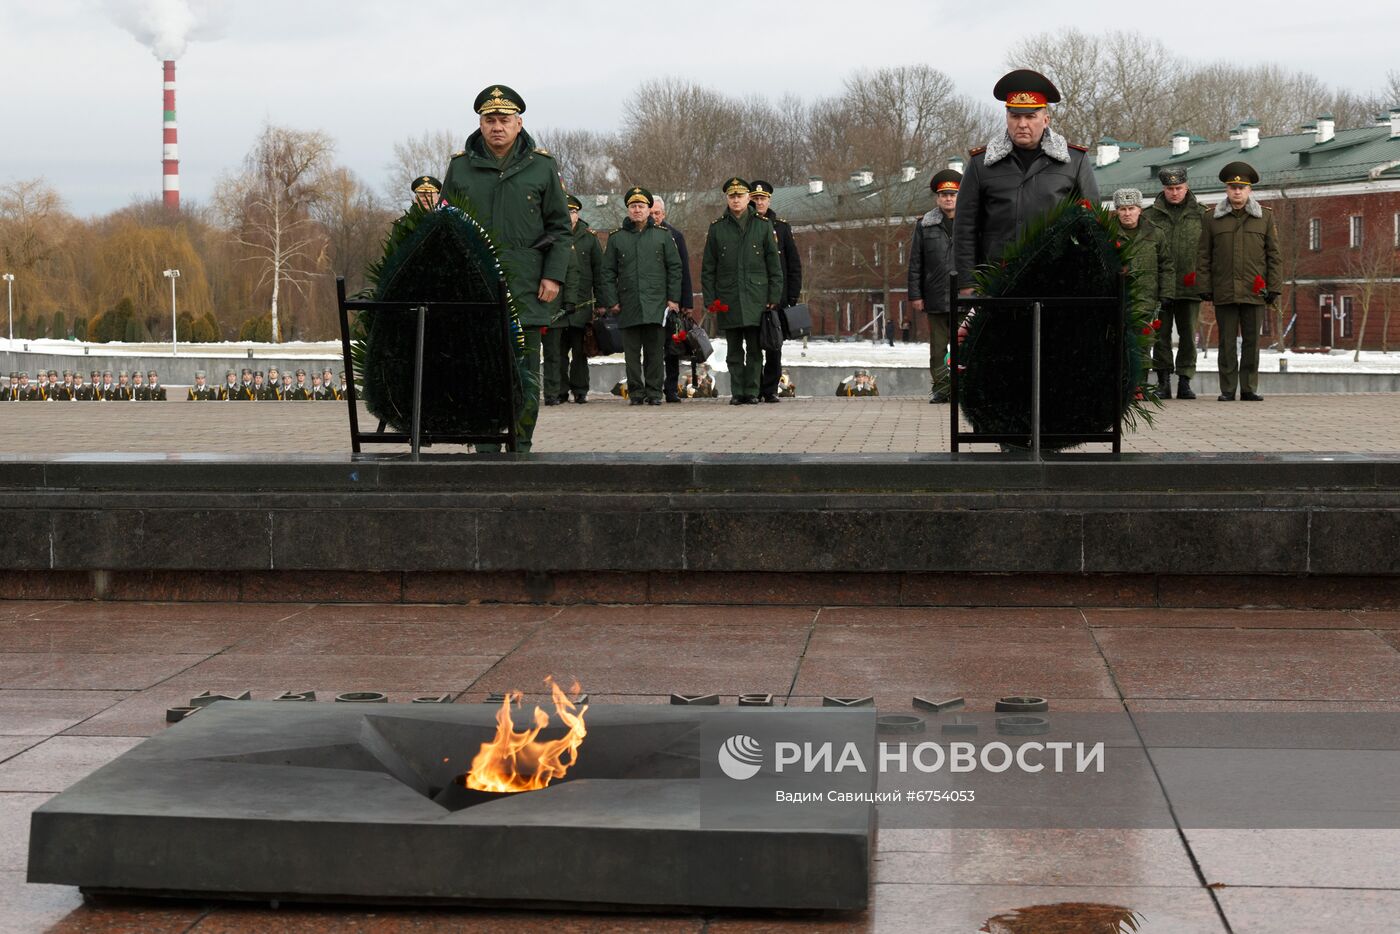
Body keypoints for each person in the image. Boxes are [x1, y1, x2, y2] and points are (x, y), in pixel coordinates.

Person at [443, 84, 571, 452]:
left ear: (519, 123)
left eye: (504, 119)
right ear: (480, 124)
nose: (496, 126)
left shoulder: (542, 167)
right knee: (480, 369)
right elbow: (447, 226)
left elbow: (560, 228)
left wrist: (553, 275)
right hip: (476, 286)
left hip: (528, 285)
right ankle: (485, 446)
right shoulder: (460, 167)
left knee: (525, 371)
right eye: (489, 119)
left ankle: (521, 445)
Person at [954, 69, 1099, 295]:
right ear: (1007, 118)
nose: (1022, 124)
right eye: (1015, 116)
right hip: (996, 281)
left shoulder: (1074, 161)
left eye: (1030, 116)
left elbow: (1091, 225)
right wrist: (966, 282)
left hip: (1057, 280)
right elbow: (965, 227)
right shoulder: (981, 164)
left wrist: (1090, 277)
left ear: (1045, 119)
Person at [1197, 161, 1280, 402]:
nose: (1237, 191)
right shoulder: (1212, 218)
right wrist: (1204, 286)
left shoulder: (1264, 217)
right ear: (1226, 189)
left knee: (1252, 342)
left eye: (1241, 188)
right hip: (1224, 289)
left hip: (1255, 290)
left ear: (1249, 190)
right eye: (1232, 187)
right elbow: (1203, 255)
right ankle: (1227, 389)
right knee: (1226, 343)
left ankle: (1249, 388)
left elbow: (1274, 255)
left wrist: (1273, 287)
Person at [700, 177, 783, 405]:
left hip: (757, 297)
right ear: (727, 198)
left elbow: (774, 267)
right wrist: (710, 299)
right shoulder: (717, 228)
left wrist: (773, 297)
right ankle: (738, 392)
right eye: (732, 196)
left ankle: (752, 391)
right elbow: (708, 268)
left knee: (756, 350)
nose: (736, 200)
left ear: (748, 198)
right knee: (734, 351)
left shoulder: (763, 225)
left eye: (740, 196)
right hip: (729, 297)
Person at [598, 187, 682, 406]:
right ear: (628, 210)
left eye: (641, 206)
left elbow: (675, 268)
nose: (637, 210)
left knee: (655, 351)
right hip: (628, 304)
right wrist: (611, 301)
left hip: (656, 303)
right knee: (632, 354)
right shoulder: (617, 239)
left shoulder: (663, 236)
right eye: (633, 206)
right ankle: (636, 392)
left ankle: (654, 392)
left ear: (648, 209)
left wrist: (673, 299)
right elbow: (607, 272)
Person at [1144, 166, 1207, 400]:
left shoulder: (1201, 214)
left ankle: (1185, 380)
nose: (1174, 193)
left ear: (1186, 187)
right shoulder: (1150, 216)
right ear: (1163, 189)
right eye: (1170, 188)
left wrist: (1204, 280)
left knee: (1188, 336)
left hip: (1190, 285)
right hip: (1160, 286)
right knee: (1160, 335)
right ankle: (1162, 381)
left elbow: (1207, 251)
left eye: (1178, 188)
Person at [1113, 189, 1173, 391]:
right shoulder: (1108, 233)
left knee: (1143, 343)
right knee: (1119, 344)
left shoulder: (1154, 233)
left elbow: (1166, 266)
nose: (1127, 213)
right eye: (1122, 209)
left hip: (1147, 298)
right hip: (1118, 298)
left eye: (1131, 208)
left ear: (1140, 210)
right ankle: (1121, 386)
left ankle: (1140, 386)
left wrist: (1166, 293)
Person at [909, 168, 961, 402]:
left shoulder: (971, 223)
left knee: (966, 347)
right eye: (943, 195)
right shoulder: (924, 226)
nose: (948, 199)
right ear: (937, 198)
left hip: (965, 296)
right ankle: (942, 389)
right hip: (936, 296)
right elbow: (916, 263)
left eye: (953, 194)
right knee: (938, 348)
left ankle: (965, 388)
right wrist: (916, 295)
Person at [748, 180, 801, 404]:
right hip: (751, 296)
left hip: (776, 296)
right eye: (755, 198)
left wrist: (791, 297)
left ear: (769, 200)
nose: (759, 202)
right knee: (751, 346)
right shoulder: (745, 226)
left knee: (773, 345)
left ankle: (769, 389)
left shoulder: (781, 227)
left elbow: (793, 264)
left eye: (763, 198)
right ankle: (752, 387)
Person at [556, 194, 603, 404]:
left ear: (578, 214)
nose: (569, 216)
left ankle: (580, 389)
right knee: (557, 351)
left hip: (582, 303)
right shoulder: (553, 235)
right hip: (556, 303)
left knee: (580, 350)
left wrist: (602, 303)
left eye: (573, 212)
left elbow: (600, 273)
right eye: (565, 211)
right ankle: (559, 389)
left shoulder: (589, 238)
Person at [649, 195, 695, 403]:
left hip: (673, 300)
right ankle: (653, 388)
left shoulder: (675, 236)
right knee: (652, 346)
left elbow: (684, 270)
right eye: (650, 213)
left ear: (664, 214)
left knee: (672, 347)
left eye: (656, 213)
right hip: (652, 301)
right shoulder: (643, 235)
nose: (653, 217)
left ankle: (671, 388)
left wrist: (687, 303)